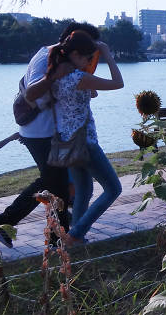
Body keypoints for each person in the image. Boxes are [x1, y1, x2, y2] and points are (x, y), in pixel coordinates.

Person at [0, 21, 100, 247]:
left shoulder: (68, 59)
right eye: (88, 47)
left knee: (53, 183)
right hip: (39, 132)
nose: (91, 54)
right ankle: (42, 233)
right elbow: (32, 93)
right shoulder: (45, 57)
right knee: (55, 185)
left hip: (54, 131)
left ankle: (50, 233)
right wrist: (55, 76)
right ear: (73, 39)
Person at [47, 30, 124, 247]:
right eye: (89, 57)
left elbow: (85, 96)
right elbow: (118, 82)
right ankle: (76, 233)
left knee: (84, 190)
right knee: (113, 189)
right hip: (85, 142)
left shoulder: (57, 78)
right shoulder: (78, 77)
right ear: (78, 55)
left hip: (66, 142)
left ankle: (75, 239)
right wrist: (107, 54)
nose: (90, 61)